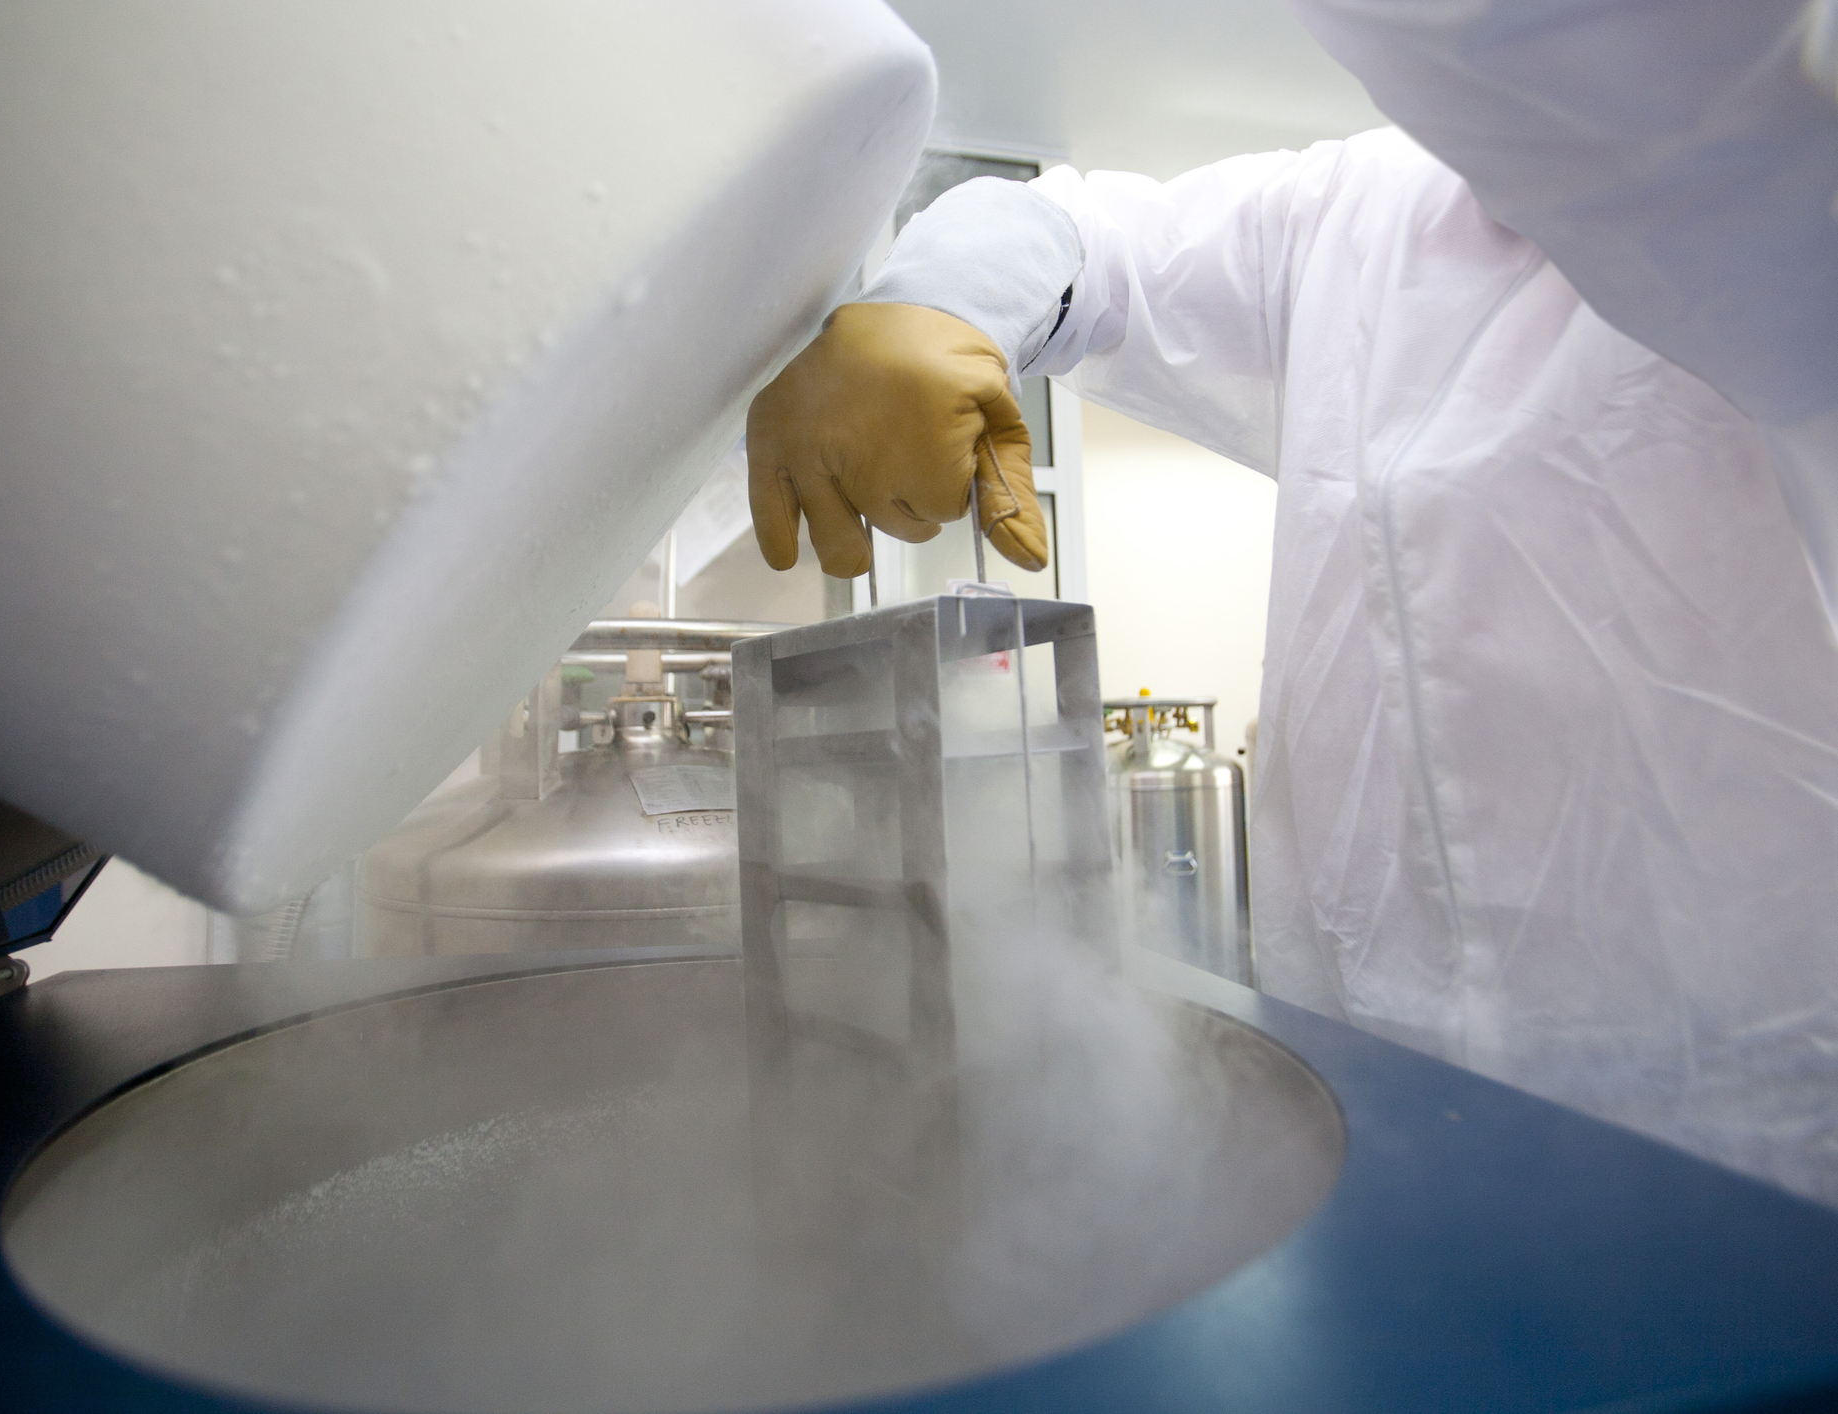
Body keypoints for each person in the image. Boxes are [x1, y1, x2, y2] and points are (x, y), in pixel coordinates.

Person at [746, 0, 1838, 1205]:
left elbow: (1567, 49)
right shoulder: (1355, 215)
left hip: (1736, 1143)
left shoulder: (1788, 165)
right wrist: (942, 295)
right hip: (1366, 1093)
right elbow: (1079, 235)